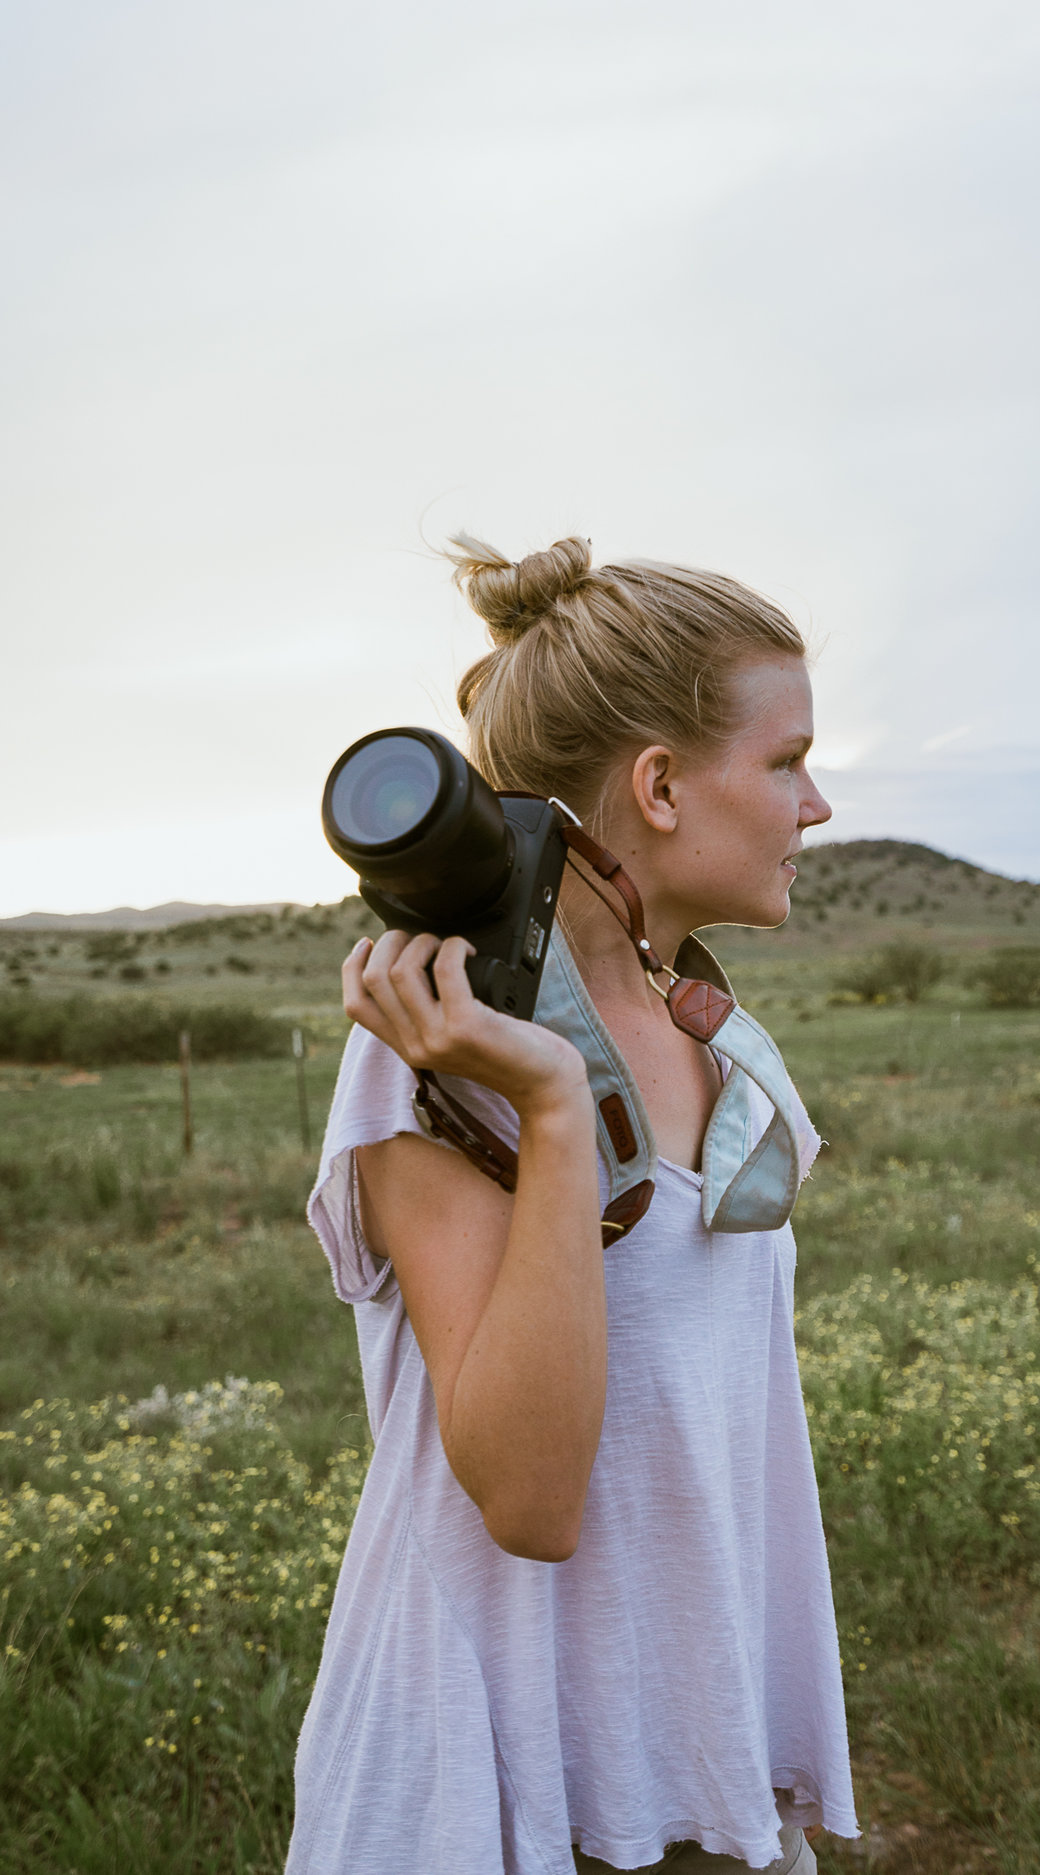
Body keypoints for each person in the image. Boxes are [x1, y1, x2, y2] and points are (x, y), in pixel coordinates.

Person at [288, 536, 857, 1874]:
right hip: (488, 1788)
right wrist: (550, 1111)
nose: (816, 804)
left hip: (688, 1769)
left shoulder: (718, 1042)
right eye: (785, 762)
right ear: (659, 785)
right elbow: (532, 1501)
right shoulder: (440, 1054)